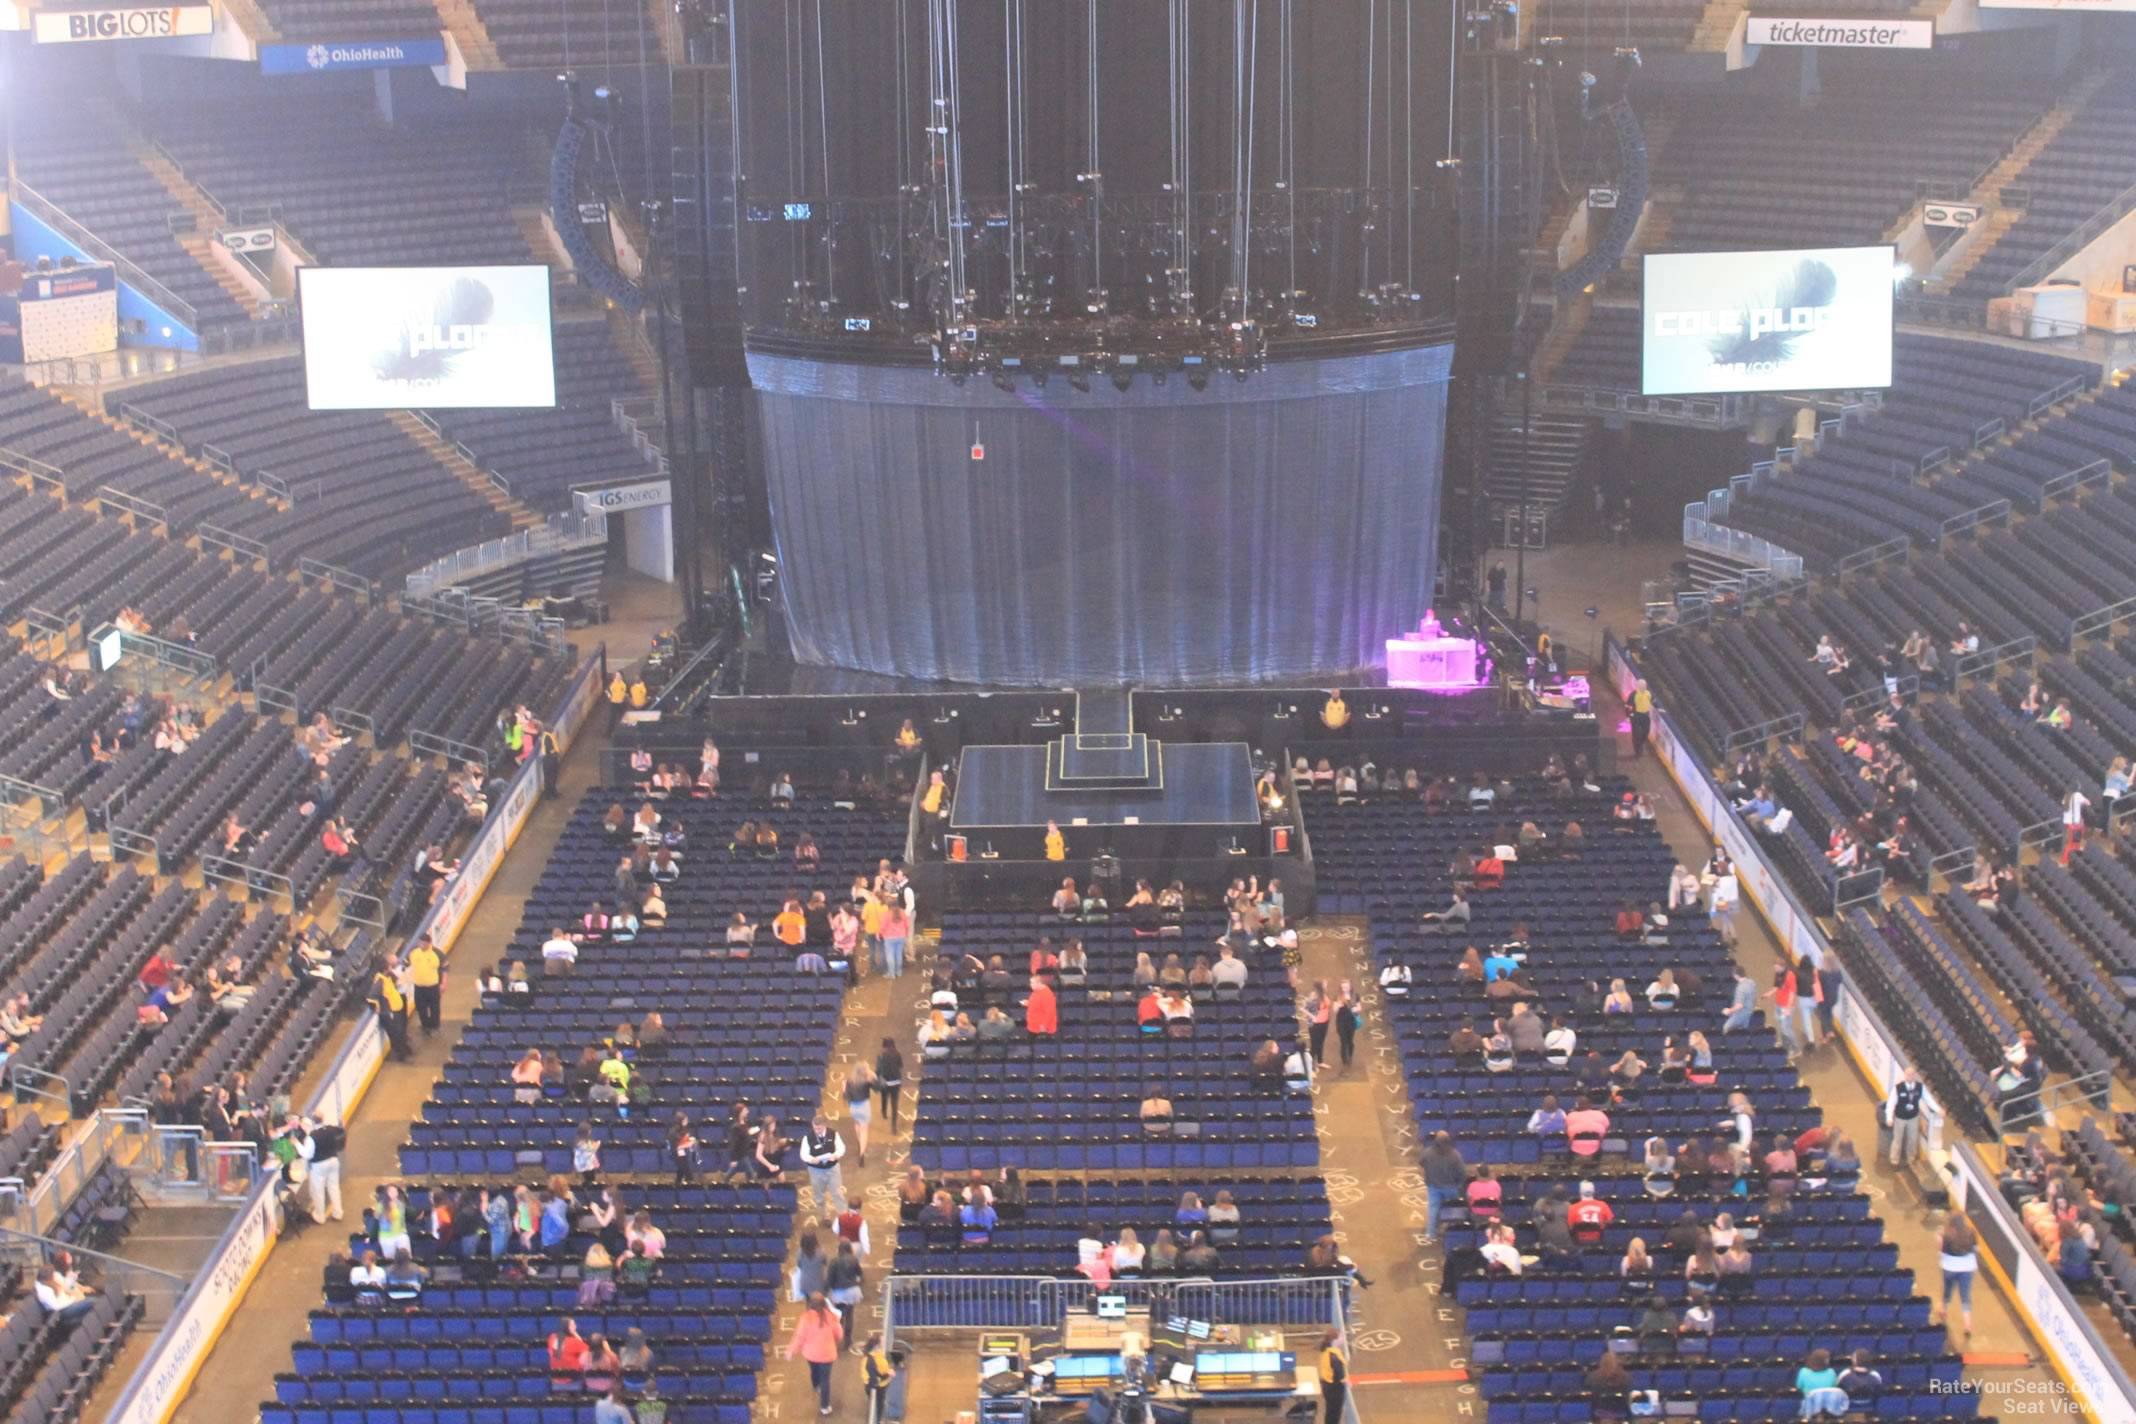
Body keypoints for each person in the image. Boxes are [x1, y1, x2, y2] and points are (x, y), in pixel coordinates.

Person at [787, 1291, 845, 1415]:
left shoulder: (805, 1318)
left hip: (811, 1354)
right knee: (826, 1380)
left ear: (811, 1304)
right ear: (824, 1304)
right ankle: (824, 1407)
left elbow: (799, 1336)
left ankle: (816, 1386)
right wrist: (834, 1341)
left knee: (814, 1371)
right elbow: (839, 1333)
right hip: (827, 1354)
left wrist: (791, 1350)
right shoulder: (831, 1317)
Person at [1420, 1131, 1467, 1242]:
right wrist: (1459, 1185)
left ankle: (1431, 1234)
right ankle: (1453, 1234)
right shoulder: (1455, 1155)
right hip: (1451, 1188)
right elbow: (1462, 1172)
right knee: (1452, 1210)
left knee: (1433, 1209)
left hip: (1433, 1186)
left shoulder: (1428, 1152)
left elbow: (1421, 1163)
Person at [800, 1114, 847, 1214]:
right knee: (819, 1196)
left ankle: (843, 1215)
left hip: (833, 1169)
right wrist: (811, 1159)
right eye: (815, 1128)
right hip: (816, 1170)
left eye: (819, 1129)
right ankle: (824, 1216)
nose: (816, 1131)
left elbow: (841, 1148)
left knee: (838, 1193)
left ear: (824, 1125)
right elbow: (803, 1154)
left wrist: (835, 1155)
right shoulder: (808, 1137)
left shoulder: (833, 1134)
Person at [1885, 1066, 1929, 1169]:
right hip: (1900, 1118)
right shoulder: (1898, 1088)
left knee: (1912, 1140)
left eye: (1911, 1075)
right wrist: (1889, 1118)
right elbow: (1891, 1103)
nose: (1909, 1077)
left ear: (1914, 1076)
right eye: (1907, 1075)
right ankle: (1894, 1161)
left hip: (1913, 1118)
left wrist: (1937, 1109)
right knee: (1897, 1140)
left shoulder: (1919, 1087)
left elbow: (1928, 1100)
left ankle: (1911, 1160)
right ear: (1905, 1076)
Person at [1316, 1329, 1348, 1424]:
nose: (1343, 1340)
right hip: (1334, 1388)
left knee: (1330, 1412)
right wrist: (1346, 1380)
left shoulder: (1327, 1351)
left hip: (1327, 1386)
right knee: (1334, 1413)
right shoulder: (1334, 1357)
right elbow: (1340, 1374)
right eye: (1341, 1338)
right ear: (1335, 1341)